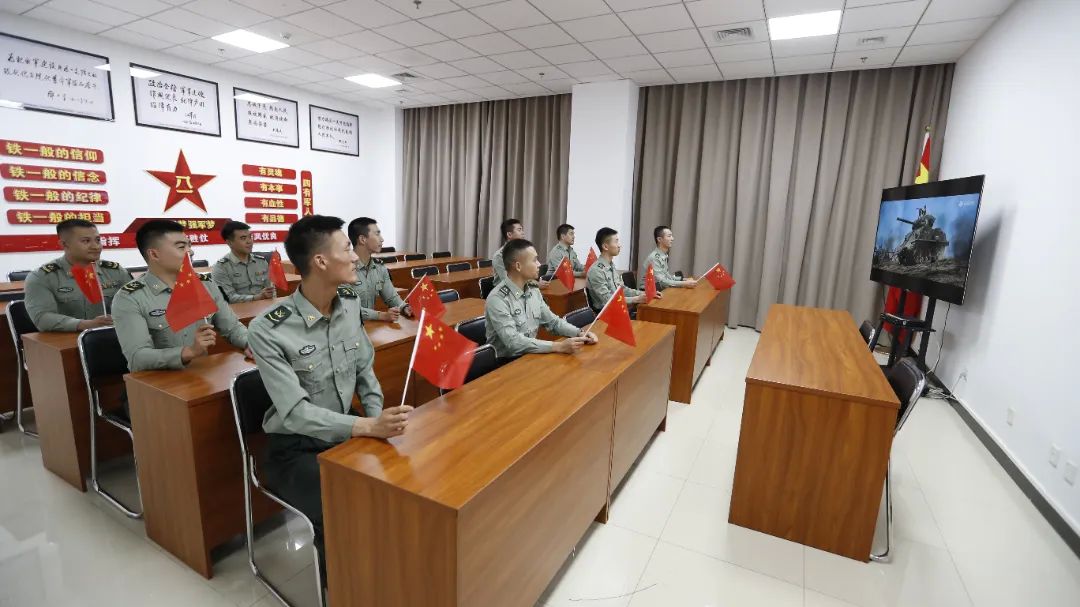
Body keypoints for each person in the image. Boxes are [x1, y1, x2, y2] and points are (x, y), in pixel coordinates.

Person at [247, 214, 412, 582]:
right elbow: (295, 413)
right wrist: (367, 426)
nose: (355, 257)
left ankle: (388, 575)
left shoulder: (349, 303)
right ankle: (342, 587)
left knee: (400, 480)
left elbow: (365, 370)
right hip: (296, 448)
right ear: (320, 261)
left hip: (347, 431)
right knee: (345, 503)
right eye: (347, 249)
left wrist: (377, 422)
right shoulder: (268, 329)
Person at [112, 219, 249, 372]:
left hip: (203, 375)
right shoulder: (130, 297)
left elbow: (232, 328)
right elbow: (137, 358)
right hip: (159, 382)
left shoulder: (204, 284)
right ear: (154, 254)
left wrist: (250, 343)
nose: (190, 252)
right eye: (181, 247)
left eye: (189, 245)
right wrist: (188, 352)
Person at [485, 238, 596, 361]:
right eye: (534, 260)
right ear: (518, 266)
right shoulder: (498, 299)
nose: (539, 264)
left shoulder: (533, 290)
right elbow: (513, 342)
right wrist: (558, 346)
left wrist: (580, 333)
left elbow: (553, 322)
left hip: (529, 355)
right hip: (505, 363)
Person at [23, 219, 132, 331]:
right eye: (86, 241)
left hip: (115, 335)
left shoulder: (116, 271)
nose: (95, 246)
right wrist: (86, 325)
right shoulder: (42, 277)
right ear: (64, 244)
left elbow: (136, 303)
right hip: (66, 338)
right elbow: (42, 318)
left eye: (98, 240)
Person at [347, 216, 410, 322]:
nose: (382, 239)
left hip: (369, 326)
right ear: (362, 239)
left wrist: (404, 307)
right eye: (377, 234)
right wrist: (380, 315)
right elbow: (348, 309)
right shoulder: (344, 269)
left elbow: (391, 297)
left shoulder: (379, 267)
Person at [586, 227, 656, 315]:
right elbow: (607, 300)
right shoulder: (596, 271)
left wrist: (647, 293)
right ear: (605, 246)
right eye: (616, 242)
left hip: (620, 309)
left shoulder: (611, 266)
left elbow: (623, 290)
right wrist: (636, 299)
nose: (619, 245)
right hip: (607, 315)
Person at [211, 221, 275, 303]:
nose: (249, 241)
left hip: (263, 306)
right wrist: (256, 297)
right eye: (243, 238)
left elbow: (270, 290)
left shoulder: (261, 262)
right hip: (238, 309)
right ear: (229, 243)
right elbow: (228, 297)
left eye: (250, 237)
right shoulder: (221, 267)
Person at [639, 226, 697, 290]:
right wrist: (684, 283)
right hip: (648, 292)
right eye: (669, 236)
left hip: (659, 288)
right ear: (659, 239)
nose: (672, 239)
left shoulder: (663, 255)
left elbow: (667, 277)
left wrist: (684, 279)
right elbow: (662, 282)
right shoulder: (654, 258)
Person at [491, 217, 526, 286]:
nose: (523, 233)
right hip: (505, 290)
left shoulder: (522, 252)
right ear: (509, 234)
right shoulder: (499, 256)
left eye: (522, 230)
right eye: (519, 230)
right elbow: (508, 281)